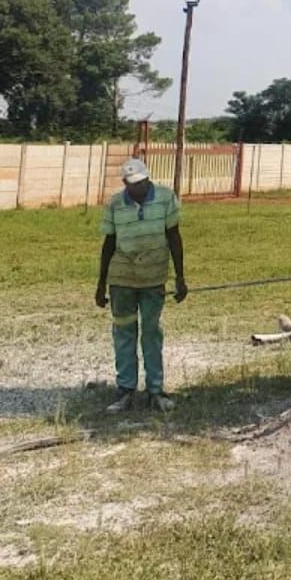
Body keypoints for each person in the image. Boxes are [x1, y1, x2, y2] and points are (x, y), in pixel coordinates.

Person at [95, 158, 188, 414]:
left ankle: (155, 390)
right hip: (122, 278)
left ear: (148, 178)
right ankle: (125, 390)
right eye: (132, 184)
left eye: (141, 183)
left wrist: (180, 277)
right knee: (124, 334)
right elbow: (109, 243)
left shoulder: (166, 198)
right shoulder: (115, 203)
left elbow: (174, 237)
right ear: (124, 183)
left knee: (151, 332)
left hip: (153, 277)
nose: (137, 188)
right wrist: (101, 284)